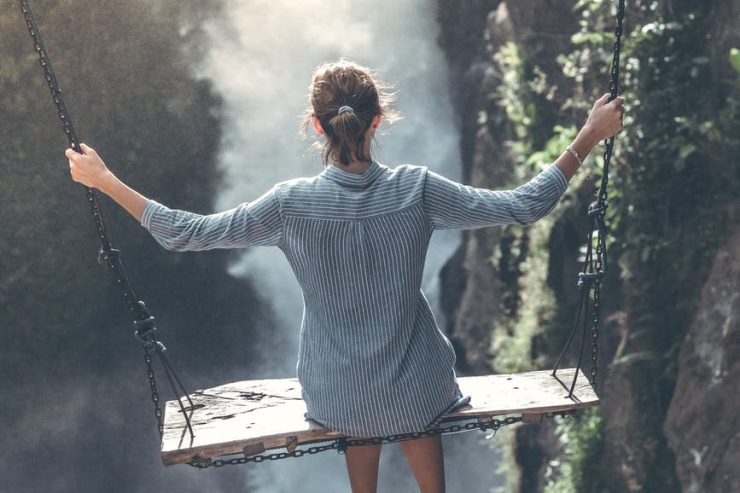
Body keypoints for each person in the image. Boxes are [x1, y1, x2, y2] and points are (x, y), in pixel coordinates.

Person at [65, 59, 624, 493]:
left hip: (338, 396)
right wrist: (588, 137)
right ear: (378, 120)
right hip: (418, 389)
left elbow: (183, 231)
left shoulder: (289, 204)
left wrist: (105, 179)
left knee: (361, 395)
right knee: (411, 388)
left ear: (315, 125)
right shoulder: (417, 189)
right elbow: (524, 205)